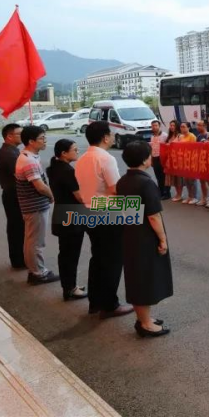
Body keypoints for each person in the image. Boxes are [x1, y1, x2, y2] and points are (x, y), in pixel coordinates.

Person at [75, 121, 132, 319]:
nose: (112, 137)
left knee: (98, 258)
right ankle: (110, 305)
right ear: (105, 137)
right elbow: (115, 188)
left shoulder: (82, 158)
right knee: (113, 260)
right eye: (111, 134)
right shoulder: (105, 158)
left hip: (89, 210)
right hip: (107, 212)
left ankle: (95, 302)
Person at [118, 141, 172, 338]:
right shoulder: (146, 182)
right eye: (149, 155)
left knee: (137, 276)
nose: (151, 158)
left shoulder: (123, 180)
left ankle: (144, 318)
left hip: (130, 234)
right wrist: (163, 239)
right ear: (144, 159)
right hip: (145, 237)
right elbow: (153, 215)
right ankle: (145, 323)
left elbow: (128, 212)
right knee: (145, 278)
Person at [15, 126, 59, 285]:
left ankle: (35, 270)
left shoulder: (28, 157)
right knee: (35, 241)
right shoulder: (28, 161)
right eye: (42, 138)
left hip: (33, 205)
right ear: (31, 141)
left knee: (32, 239)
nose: (45, 140)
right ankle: (38, 273)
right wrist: (53, 196)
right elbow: (39, 186)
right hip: (35, 207)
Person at [47, 139, 88, 300]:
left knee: (65, 253)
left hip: (62, 213)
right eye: (74, 149)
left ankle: (69, 285)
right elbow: (79, 197)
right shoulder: (67, 171)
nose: (77, 152)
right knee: (71, 254)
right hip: (72, 216)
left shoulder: (54, 168)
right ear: (64, 153)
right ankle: (70, 288)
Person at [0, 123, 26, 269]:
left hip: (13, 194)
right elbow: (20, 175)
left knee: (18, 227)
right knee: (17, 228)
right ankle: (18, 260)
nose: (22, 136)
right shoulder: (9, 153)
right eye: (19, 134)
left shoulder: (12, 151)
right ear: (9, 136)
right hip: (13, 195)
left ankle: (19, 258)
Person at [171, 123, 197, 204]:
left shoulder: (192, 136)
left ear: (188, 127)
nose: (182, 128)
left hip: (191, 160)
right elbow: (173, 144)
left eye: (184, 127)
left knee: (192, 180)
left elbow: (194, 149)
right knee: (186, 180)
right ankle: (189, 196)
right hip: (182, 160)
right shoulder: (180, 136)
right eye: (181, 127)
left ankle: (194, 197)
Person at [149, 120, 170, 200]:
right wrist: (151, 159)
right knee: (158, 176)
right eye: (153, 126)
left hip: (162, 157)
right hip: (154, 157)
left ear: (159, 126)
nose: (154, 127)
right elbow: (151, 148)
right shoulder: (152, 136)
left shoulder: (164, 135)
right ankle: (161, 192)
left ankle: (167, 193)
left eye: (156, 125)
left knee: (164, 176)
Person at [194, 120, 209, 207]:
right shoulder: (198, 136)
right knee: (202, 181)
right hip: (200, 161)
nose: (198, 127)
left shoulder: (208, 135)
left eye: (200, 125)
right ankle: (204, 198)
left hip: (208, 161)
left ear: (204, 126)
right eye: (197, 125)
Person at [165, 120, 179, 199]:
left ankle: (179, 194)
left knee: (178, 178)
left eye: (173, 125)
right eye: (171, 125)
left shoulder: (179, 136)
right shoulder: (169, 136)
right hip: (169, 159)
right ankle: (177, 193)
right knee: (172, 177)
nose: (172, 127)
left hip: (177, 159)